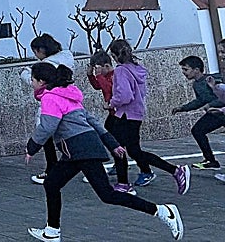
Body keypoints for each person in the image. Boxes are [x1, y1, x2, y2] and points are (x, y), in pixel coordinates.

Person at [25, 61, 183, 241]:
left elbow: (47, 127)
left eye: (32, 80)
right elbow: (93, 121)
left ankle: (163, 211)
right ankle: (52, 231)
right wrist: (113, 144)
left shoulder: (50, 97)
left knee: (107, 194)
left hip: (80, 149)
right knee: (52, 183)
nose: (31, 83)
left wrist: (31, 147)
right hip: (80, 149)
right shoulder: (67, 95)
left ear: (41, 81)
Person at [106, 39, 190, 194]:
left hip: (125, 114)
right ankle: (171, 171)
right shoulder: (137, 68)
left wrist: (112, 103)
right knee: (133, 150)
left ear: (114, 55)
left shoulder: (121, 70)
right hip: (135, 114)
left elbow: (124, 95)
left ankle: (125, 183)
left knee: (119, 148)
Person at [20, 33, 76, 184]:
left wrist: (24, 73)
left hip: (52, 104)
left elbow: (37, 81)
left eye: (36, 51)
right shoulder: (67, 58)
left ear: (42, 50)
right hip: (68, 102)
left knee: (47, 135)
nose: (36, 55)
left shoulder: (48, 65)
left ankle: (51, 170)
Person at [170, 54, 225, 170]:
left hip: (220, 112)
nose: (184, 73)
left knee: (198, 130)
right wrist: (183, 108)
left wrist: (211, 105)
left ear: (196, 70)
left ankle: (211, 160)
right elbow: (199, 101)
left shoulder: (211, 79)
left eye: (186, 69)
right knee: (197, 131)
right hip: (215, 113)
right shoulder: (196, 84)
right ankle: (210, 160)